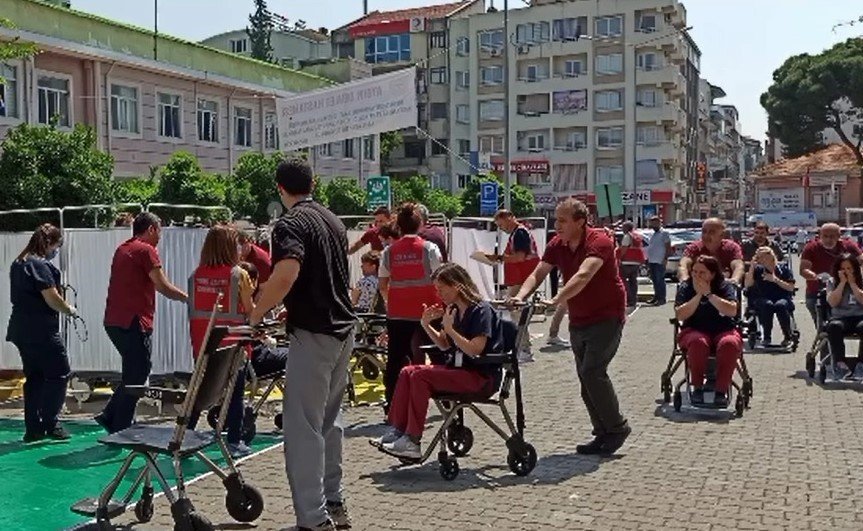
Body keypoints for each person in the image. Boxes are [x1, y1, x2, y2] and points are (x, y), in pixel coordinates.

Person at [248, 158, 356, 531]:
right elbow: (327, 277)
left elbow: (288, 271)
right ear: (314, 184)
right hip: (344, 330)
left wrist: (256, 314)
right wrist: (289, 308)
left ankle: (313, 520)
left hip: (315, 333)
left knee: (303, 428)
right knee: (330, 421)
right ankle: (334, 502)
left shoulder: (289, 224)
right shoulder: (333, 221)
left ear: (280, 189)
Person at [511, 198, 630, 456]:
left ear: (580, 221)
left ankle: (617, 428)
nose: (557, 226)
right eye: (556, 220)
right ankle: (602, 433)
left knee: (592, 371)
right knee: (585, 377)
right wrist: (520, 296)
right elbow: (538, 273)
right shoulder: (557, 244)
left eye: (563, 221)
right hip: (579, 318)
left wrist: (555, 300)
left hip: (607, 316)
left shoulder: (599, 241)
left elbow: (584, 275)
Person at [375, 263, 505, 459]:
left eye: (441, 289)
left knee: (420, 376)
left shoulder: (481, 310)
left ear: (456, 286)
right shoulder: (453, 310)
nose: (439, 294)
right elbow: (445, 344)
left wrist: (451, 329)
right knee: (407, 371)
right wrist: (426, 325)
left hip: (480, 375)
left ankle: (412, 439)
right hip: (458, 370)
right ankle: (398, 430)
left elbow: (475, 349)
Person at [96, 213, 187, 434]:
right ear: (152, 229)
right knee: (138, 373)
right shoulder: (146, 250)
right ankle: (120, 423)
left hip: (114, 321)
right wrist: (188, 298)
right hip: (134, 321)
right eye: (160, 232)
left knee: (133, 371)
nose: (160, 238)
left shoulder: (122, 249)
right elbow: (162, 285)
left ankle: (111, 415)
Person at [186, 225, 257, 458]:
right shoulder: (239, 275)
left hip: (203, 346)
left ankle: (185, 435)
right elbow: (250, 310)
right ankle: (234, 442)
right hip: (233, 346)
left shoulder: (195, 276)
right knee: (235, 394)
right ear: (229, 246)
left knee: (199, 391)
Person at [6, 224, 76, 442]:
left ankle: (33, 427)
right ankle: (51, 422)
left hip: (21, 329)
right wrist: (69, 309)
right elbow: (51, 297)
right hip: (41, 329)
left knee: (35, 376)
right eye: (56, 245)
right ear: (49, 243)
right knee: (59, 373)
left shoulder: (19, 263)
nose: (56, 250)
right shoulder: (39, 265)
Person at [379, 203, 443, 410]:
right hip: (428, 311)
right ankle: (447, 399)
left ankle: (392, 405)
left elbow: (382, 285)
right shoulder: (429, 249)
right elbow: (440, 279)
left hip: (398, 313)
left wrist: (391, 301)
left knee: (396, 359)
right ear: (420, 225)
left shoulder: (388, 252)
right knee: (437, 354)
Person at [675, 255, 743, 407]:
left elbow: (732, 310)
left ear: (712, 274)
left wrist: (709, 295)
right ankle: (697, 387)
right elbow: (680, 314)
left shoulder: (724, 286)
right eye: (694, 272)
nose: (697, 276)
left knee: (729, 343)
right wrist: (699, 295)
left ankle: (721, 390)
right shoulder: (686, 287)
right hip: (694, 329)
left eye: (702, 273)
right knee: (698, 343)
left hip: (723, 329)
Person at [493, 209, 540, 362]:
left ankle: (524, 349)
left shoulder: (519, 233)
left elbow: (520, 257)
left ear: (510, 218)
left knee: (518, 313)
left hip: (522, 279)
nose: (502, 229)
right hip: (521, 279)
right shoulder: (518, 233)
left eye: (502, 225)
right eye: (500, 227)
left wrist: (500, 258)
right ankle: (523, 347)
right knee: (517, 313)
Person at [799, 223, 863, 324]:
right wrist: (815, 276)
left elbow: (861, 259)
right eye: (825, 236)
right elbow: (803, 269)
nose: (828, 240)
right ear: (819, 235)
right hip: (818, 289)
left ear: (839, 236)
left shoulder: (849, 246)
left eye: (832, 236)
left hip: (847, 288)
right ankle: (822, 331)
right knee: (812, 304)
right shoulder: (811, 247)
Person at [744, 247, 796, 347]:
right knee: (767, 305)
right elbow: (748, 284)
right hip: (762, 297)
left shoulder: (783, 269)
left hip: (781, 297)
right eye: (758, 258)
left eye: (762, 257)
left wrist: (775, 280)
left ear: (771, 257)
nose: (760, 260)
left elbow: (790, 287)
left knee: (780, 305)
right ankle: (766, 337)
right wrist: (751, 268)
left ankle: (788, 336)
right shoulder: (758, 270)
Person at [825, 254, 863, 380]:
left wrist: (853, 284)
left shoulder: (861, 280)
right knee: (834, 327)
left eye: (849, 268)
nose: (846, 272)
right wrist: (841, 284)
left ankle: (860, 364)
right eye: (843, 269)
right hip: (840, 318)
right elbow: (832, 302)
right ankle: (840, 363)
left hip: (859, 316)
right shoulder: (832, 281)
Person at [678, 218, 744, 285]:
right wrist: (684, 278)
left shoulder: (732, 247)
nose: (706, 235)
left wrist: (735, 279)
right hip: (697, 288)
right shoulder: (694, 247)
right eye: (704, 231)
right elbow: (683, 264)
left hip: (723, 289)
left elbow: (738, 266)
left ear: (722, 235)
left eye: (711, 232)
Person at [617, 221, 646, 309]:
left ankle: (629, 299)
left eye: (623, 227)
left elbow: (624, 249)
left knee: (623, 281)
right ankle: (634, 300)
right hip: (636, 262)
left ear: (626, 228)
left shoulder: (627, 236)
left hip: (626, 262)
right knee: (633, 281)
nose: (622, 229)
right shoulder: (637, 236)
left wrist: (619, 258)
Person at [645, 215, 672, 306]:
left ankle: (662, 299)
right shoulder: (653, 234)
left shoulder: (664, 233)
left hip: (660, 261)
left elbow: (668, 247)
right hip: (652, 260)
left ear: (659, 223)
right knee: (654, 280)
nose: (653, 225)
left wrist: (665, 259)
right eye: (652, 223)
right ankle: (656, 297)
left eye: (655, 223)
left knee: (660, 280)